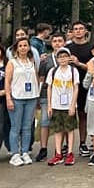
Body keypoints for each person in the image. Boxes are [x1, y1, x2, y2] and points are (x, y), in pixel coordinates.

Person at [6, 37, 39, 166]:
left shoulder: (31, 62)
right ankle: (15, 153)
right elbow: (7, 81)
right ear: (17, 48)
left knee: (27, 127)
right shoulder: (12, 63)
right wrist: (8, 98)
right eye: (21, 46)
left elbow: (35, 78)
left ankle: (25, 151)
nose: (23, 48)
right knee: (15, 127)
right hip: (17, 97)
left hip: (31, 97)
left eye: (26, 45)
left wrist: (36, 97)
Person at [44, 48, 79, 166]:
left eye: (65, 56)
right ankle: (58, 154)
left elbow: (76, 88)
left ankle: (70, 153)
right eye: (60, 57)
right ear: (57, 59)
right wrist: (49, 105)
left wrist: (73, 105)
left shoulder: (73, 71)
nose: (63, 59)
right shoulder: (53, 71)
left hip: (69, 105)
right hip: (56, 105)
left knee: (69, 129)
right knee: (57, 130)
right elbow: (49, 88)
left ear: (69, 58)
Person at [35, 33, 67, 162]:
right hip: (46, 95)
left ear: (64, 43)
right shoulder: (46, 60)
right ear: (51, 43)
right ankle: (43, 148)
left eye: (60, 41)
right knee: (45, 121)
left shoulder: (68, 59)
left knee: (61, 122)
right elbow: (41, 79)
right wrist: (38, 96)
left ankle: (59, 149)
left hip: (63, 96)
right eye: (55, 41)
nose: (57, 43)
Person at [65, 21, 93, 158]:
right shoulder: (67, 47)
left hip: (84, 85)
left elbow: (93, 68)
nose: (78, 31)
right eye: (75, 29)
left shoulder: (91, 47)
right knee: (67, 115)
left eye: (81, 29)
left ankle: (82, 142)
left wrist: (78, 64)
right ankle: (66, 144)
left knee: (83, 114)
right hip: (68, 86)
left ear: (85, 31)